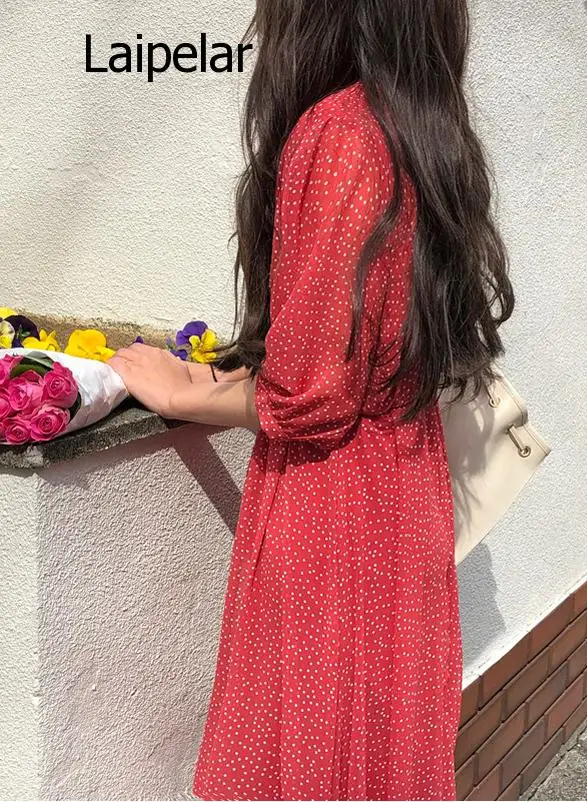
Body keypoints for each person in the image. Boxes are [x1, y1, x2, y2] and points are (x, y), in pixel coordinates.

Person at [108, 0, 514, 798]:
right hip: (403, 500)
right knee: (376, 757)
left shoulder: (342, 131)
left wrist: (178, 390)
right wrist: (236, 377)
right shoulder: (427, 133)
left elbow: (312, 395)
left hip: (337, 513)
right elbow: (361, 351)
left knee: (309, 764)